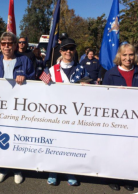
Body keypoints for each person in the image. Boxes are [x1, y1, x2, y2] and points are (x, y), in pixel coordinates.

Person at [0, 32, 35, 184]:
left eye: (9, 43)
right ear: (0, 46)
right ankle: (3, 167)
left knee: (17, 136)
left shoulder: (24, 60)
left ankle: (17, 168)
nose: (6, 46)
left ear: (14, 45)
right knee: (2, 136)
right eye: (3, 43)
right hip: (0, 107)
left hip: (19, 107)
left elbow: (35, 79)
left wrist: (26, 78)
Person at [103, 43, 138, 191]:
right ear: (119, 57)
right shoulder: (110, 73)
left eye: (131, 55)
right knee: (115, 148)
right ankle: (113, 176)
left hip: (134, 119)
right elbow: (102, 97)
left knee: (130, 149)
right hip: (116, 119)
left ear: (135, 56)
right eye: (124, 55)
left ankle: (127, 176)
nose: (128, 58)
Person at [48, 38, 88, 186]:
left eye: (71, 48)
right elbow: (42, 90)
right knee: (55, 142)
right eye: (65, 49)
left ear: (75, 50)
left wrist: (88, 86)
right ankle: (53, 171)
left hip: (75, 114)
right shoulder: (52, 70)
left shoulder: (82, 69)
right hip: (56, 113)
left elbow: (93, 89)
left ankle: (70, 170)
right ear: (61, 51)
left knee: (71, 143)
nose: (68, 51)